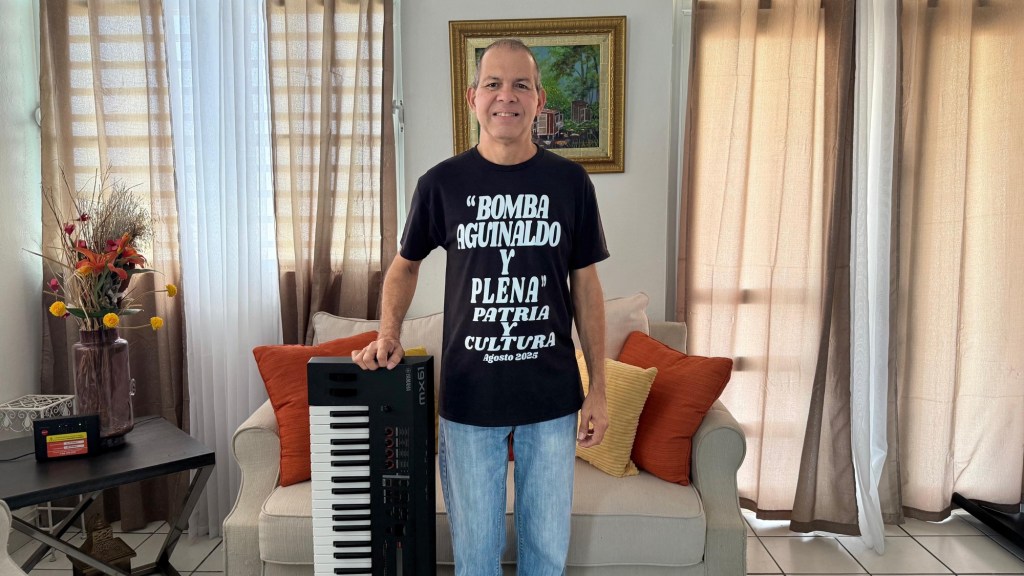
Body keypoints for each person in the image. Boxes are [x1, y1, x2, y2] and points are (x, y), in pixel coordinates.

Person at [353, 38, 609, 576]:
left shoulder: (570, 183)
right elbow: (404, 265)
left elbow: (586, 286)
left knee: (546, 555)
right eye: (493, 83)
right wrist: (388, 333)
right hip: (470, 396)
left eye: (521, 85)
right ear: (473, 97)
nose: (506, 96)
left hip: (552, 396)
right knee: (475, 557)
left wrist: (599, 389)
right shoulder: (441, 184)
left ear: (539, 99)